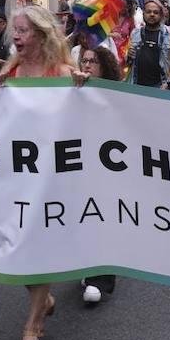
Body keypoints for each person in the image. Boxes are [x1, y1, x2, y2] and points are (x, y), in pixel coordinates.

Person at [0, 4, 77, 340]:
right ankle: (42, 300)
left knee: (40, 248)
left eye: (23, 31)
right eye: (14, 30)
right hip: (13, 174)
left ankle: (31, 328)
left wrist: (82, 88)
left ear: (42, 35)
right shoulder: (9, 71)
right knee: (14, 251)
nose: (16, 36)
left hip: (51, 177)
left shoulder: (62, 72)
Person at [73, 44, 123, 304]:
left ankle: (100, 278)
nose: (87, 65)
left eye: (93, 61)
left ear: (105, 67)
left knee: (105, 218)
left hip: (110, 169)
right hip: (80, 168)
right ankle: (88, 267)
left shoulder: (119, 96)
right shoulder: (73, 91)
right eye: (84, 61)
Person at [127, 0, 170, 90]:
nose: (152, 14)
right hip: (137, 87)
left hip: (162, 89)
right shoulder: (134, 33)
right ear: (143, 14)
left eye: (156, 12)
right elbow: (127, 61)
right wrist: (128, 56)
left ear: (161, 15)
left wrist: (169, 84)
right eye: (148, 12)